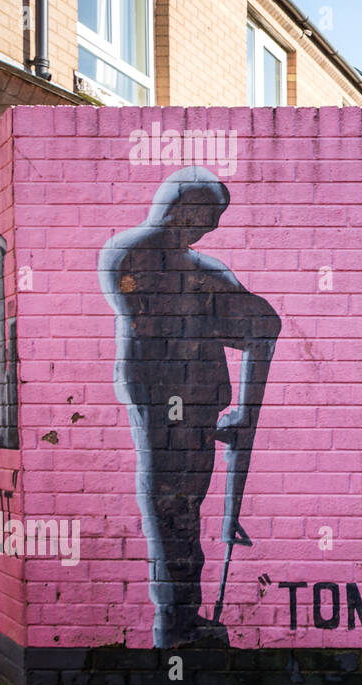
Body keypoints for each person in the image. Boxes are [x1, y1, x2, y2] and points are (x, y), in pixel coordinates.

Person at [99, 167, 279, 648]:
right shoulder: (132, 251)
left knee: (185, 508)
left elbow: (263, 326)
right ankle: (174, 625)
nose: (212, 228)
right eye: (208, 215)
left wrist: (245, 408)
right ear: (184, 205)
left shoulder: (202, 268)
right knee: (168, 506)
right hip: (161, 402)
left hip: (198, 404)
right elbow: (154, 320)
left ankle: (183, 621)